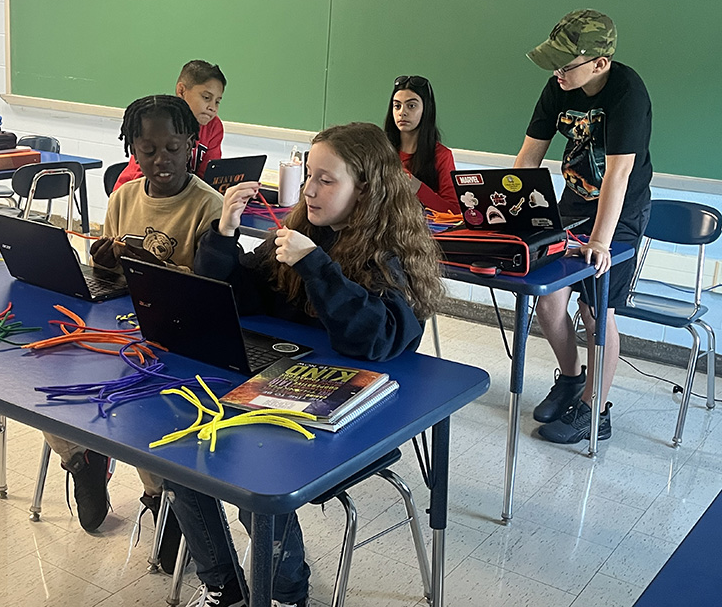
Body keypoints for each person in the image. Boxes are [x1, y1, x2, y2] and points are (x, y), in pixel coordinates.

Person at [165, 122, 444, 607]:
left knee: (253, 471)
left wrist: (316, 264)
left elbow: (373, 341)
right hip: (279, 383)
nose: (309, 190)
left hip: (351, 414)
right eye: (308, 175)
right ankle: (223, 584)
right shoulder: (303, 230)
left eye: (326, 179)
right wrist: (224, 236)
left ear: (367, 188)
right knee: (177, 456)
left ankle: (284, 593)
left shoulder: (385, 253)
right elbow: (240, 298)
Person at [42, 95, 223, 572]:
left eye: (171, 147)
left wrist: (148, 268)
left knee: (147, 415)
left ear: (191, 145)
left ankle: (159, 496)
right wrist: (106, 259)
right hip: (117, 325)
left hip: (173, 336)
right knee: (46, 391)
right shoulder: (124, 197)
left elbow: (210, 288)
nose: (160, 160)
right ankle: (82, 460)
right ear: (132, 150)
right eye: (147, 149)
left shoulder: (209, 205)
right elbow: (113, 271)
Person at [514, 9, 653, 443]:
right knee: (550, 301)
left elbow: (619, 174)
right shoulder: (559, 87)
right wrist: (512, 219)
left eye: (567, 64)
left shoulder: (627, 92)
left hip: (620, 211)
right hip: (572, 203)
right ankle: (572, 380)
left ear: (600, 63)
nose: (557, 72)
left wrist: (599, 242)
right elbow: (528, 157)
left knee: (596, 311)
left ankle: (596, 410)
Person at [113, 60, 226, 189]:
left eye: (217, 101)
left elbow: (208, 176)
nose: (212, 107)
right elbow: (146, 176)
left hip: (184, 196)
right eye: (206, 97)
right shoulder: (159, 122)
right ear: (181, 91)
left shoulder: (214, 126)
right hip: (139, 194)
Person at [384, 75, 460, 214]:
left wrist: (415, 185)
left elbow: (453, 212)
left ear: (426, 110)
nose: (402, 112)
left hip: (423, 232)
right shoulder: (381, 150)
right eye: (397, 106)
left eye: (411, 106)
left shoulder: (441, 155)